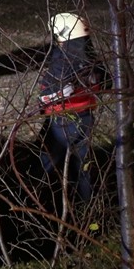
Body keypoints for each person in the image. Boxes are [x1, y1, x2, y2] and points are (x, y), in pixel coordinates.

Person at [39, 12, 102, 202]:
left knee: (47, 160)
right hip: (86, 117)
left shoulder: (62, 62)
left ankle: (40, 201)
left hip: (62, 120)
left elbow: (46, 97)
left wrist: (53, 96)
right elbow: (105, 82)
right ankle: (87, 206)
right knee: (83, 164)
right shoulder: (90, 59)